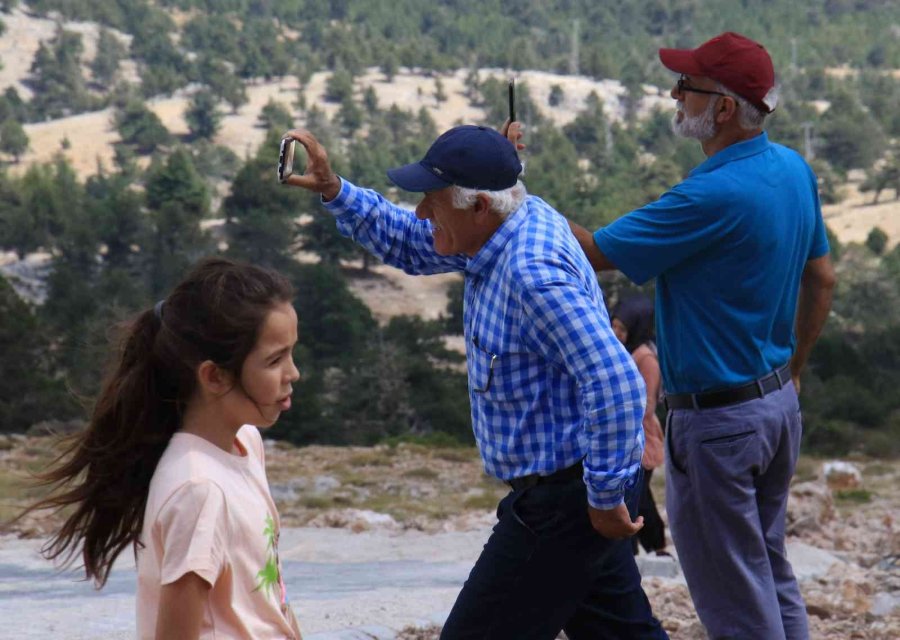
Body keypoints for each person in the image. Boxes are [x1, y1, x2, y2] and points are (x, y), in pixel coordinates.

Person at [282, 124, 667, 639]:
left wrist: (603, 497)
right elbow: (412, 240)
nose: (422, 210)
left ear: (480, 206)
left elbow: (617, 381)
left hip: (563, 501)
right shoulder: (499, 226)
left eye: (432, 200)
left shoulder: (531, 273)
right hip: (568, 492)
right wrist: (334, 190)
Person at [566, 32, 836, 640]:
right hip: (775, 407)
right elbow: (822, 279)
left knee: (736, 600)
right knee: (768, 570)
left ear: (721, 108)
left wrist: (509, 188)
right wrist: (793, 370)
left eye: (686, 87)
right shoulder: (792, 169)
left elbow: (594, 249)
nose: (673, 94)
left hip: (719, 425)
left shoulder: (708, 196)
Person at [21, 257, 303, 639]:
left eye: (290, 353)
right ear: (214, 376)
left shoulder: (246, 444)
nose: (293, 373)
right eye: (274, 360)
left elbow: (270, 600)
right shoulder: (198, 490)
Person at [610, 294, 669, 558]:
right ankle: (636, 548)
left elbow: (646, 403)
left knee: (638, 495)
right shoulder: (625, 352)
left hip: (641, 435)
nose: (616, 333)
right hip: (624, 436)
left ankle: (655, 546)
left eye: (622, 328)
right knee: (631, 494)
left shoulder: (645, 358)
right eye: (614, 326)